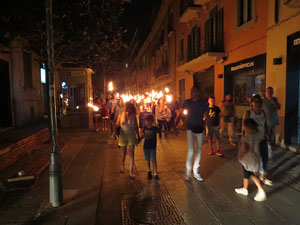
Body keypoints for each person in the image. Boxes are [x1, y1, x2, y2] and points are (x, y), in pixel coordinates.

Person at [175, 86, 208, 181]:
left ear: (198, 93)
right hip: (190, 128)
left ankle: (196, 172)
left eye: (193, 91)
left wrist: (207, 127)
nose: (191, 93)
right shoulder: (187, 102)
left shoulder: (203, 103)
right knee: (191, 150)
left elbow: (206, 115)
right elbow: (181, 113)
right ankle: (187, 171)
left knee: (199, 151)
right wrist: (175, 125)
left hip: (200, 129)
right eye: (191, 91)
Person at [242, 94, 273, 186]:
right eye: (255, 101)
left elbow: (265, 124)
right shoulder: (249, 113)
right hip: (252, 140)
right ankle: (250, 178)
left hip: (262, 138)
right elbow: (244, 126)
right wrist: (243, 138)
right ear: (252, 103)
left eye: (259, 101)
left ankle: (263, 177)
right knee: (254, 159)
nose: (258, 103)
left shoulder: (262, 112)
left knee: (265, 159)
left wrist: (269, 133)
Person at [235, 118, 267, 202]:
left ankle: (260, 189)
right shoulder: (257, 136)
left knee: (249, 174)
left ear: (246, 128)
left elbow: (244, 149)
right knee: (247, 174)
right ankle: (245, 189)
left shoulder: (245, 138)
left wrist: (240, 155)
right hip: (256, 158)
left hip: (247, 159)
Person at [113, 102, 140, 179]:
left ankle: (131, 172)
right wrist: (112, 123)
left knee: (131, 153)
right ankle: (122, 166)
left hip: (131, 136)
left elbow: (136, 126)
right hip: (123, 136)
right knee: (123, 153)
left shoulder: (133, 116)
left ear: (129, 108)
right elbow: (117, 125)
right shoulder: (120, 114)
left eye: (124, 106)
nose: (123, 107)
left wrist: (138, 135)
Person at [140, 114, 162, 180]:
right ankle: (149, 171)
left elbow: (159, 131)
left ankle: (155, 173)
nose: (148, 122)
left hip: (153, 147)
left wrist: (160, 136)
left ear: (152, 121)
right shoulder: (145, 128)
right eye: (147, 121)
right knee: (147, 159)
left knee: (154, 160)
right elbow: (143, 135)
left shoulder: (155, 128)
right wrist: (139, 139)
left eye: (149, 121)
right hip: (146, 146)